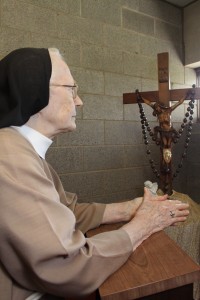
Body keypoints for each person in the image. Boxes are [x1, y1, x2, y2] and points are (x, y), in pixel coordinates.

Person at [0, 48, 189, 300]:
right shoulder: (10, 157)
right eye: (71, 89)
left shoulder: (19, 149)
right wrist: (144, 224)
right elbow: (68, 265)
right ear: (35, 90)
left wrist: (129, 209)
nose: (79, 101)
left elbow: (66, 212)